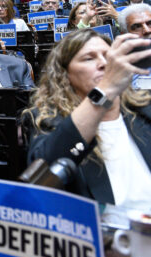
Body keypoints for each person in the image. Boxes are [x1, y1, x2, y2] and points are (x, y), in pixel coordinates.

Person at [25, 29, 151, 206]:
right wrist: (105, 90)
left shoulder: (143, 109)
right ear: (65, 73)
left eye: (109, 56)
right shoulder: (47, 119)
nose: (104, 63)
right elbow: (43, 175)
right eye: (89, 58)